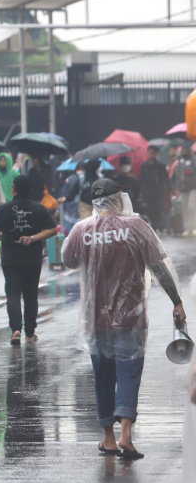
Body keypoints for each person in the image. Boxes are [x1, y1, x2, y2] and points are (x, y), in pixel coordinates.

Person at [62, 178, 186, 460]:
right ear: (119, 199)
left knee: (103, 376)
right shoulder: (136, 227)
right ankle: (126, 435)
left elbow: (68, 259)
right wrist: (176, 300)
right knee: (129, 373)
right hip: (131, 319)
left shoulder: (82, 230)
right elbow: (159, 267)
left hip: (96, 319)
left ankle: (108, 439)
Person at [0, 176, 58, 345]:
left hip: (10, 257)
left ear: (13, 189)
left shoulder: (3, 209)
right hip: (32, 258)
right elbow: (52, 230)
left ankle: (15, 330)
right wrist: (33, 237)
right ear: (31, 190)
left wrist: (0, 237)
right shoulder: (39, 209)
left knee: (13, 293)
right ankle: (29, 334)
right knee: (30, 295)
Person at [140, 145, 171, 231]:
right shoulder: (144, 165)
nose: (152, 155)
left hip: (158, 193)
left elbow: (165, 179)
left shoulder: (160, 166)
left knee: (157, 210)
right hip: (147, 192)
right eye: (150, 153)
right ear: (147, 153)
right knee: (148, 210)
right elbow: (142, 179)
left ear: (156, 154)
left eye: (154, 153)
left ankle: (157, 226)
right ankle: (152, 226)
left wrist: (166, 190)